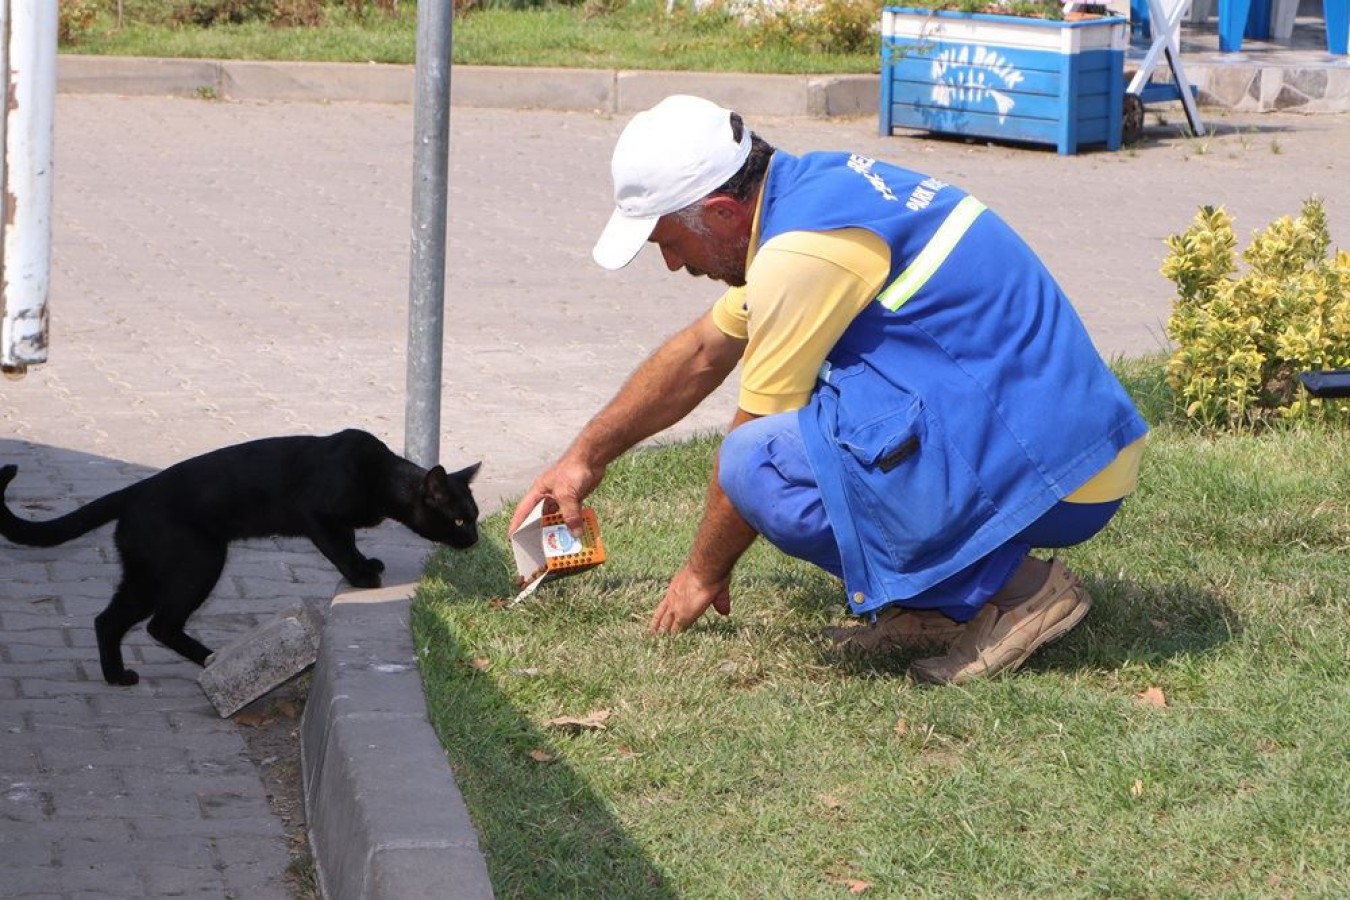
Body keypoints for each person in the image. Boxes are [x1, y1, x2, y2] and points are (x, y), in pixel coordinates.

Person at [508, 95, 1147, 685]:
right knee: (811, 430)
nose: (674, 264)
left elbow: (750, 438)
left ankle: (1020, 590)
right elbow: (701, 352)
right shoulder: (811, 192)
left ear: (724, 212)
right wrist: (581, 460)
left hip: (1059, 475)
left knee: (760, 464)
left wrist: (703, 571)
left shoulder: (802, 253)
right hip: (1058, 444)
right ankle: (938, 602)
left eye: (669, 243)